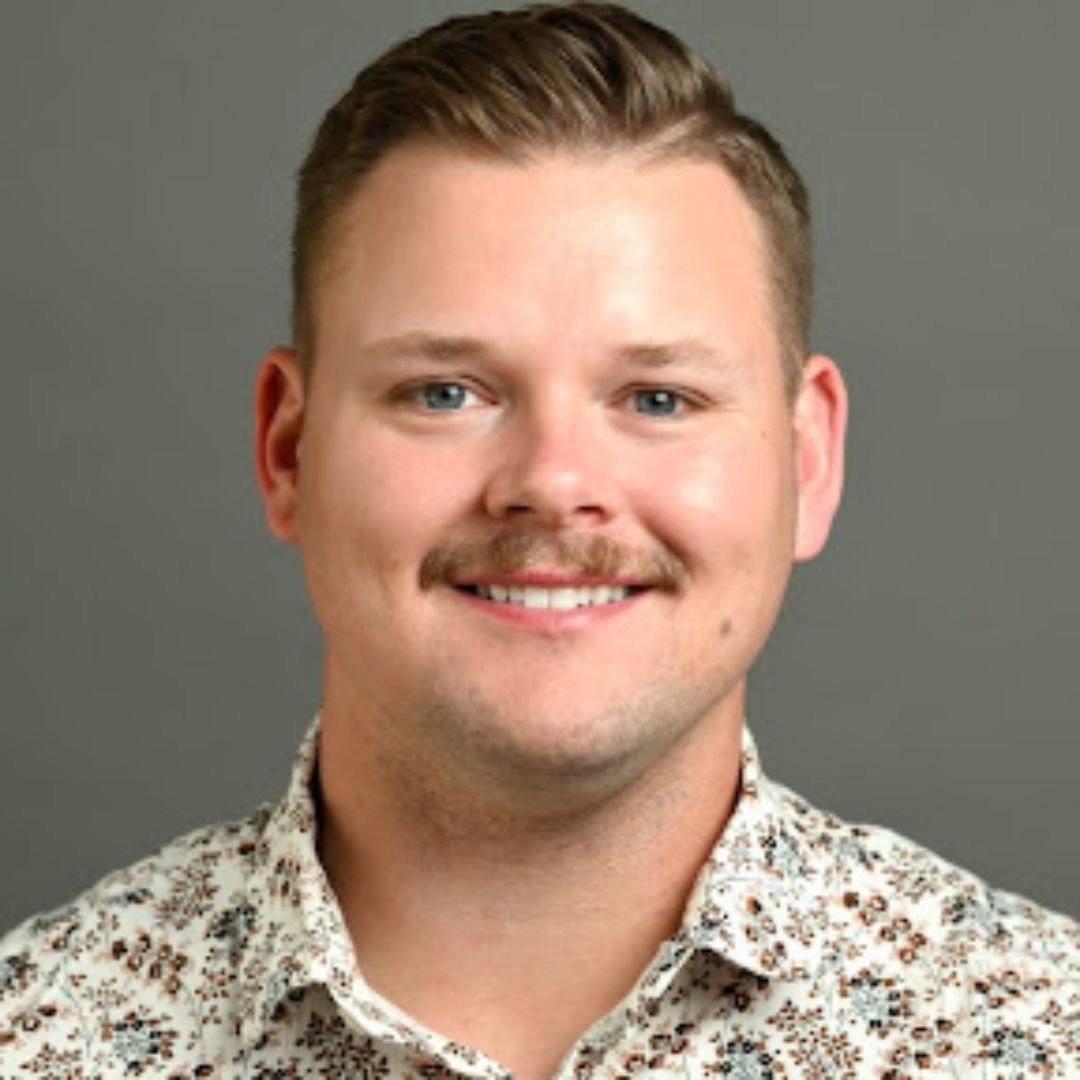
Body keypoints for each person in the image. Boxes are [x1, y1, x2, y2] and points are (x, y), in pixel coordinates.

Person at [1, 2, 1076, 1076]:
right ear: (287, 448)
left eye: (658, 398)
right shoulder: (40, 1038)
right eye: (446, 392)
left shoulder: (1038, 1035)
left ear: (808, 460)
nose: (554, 484)